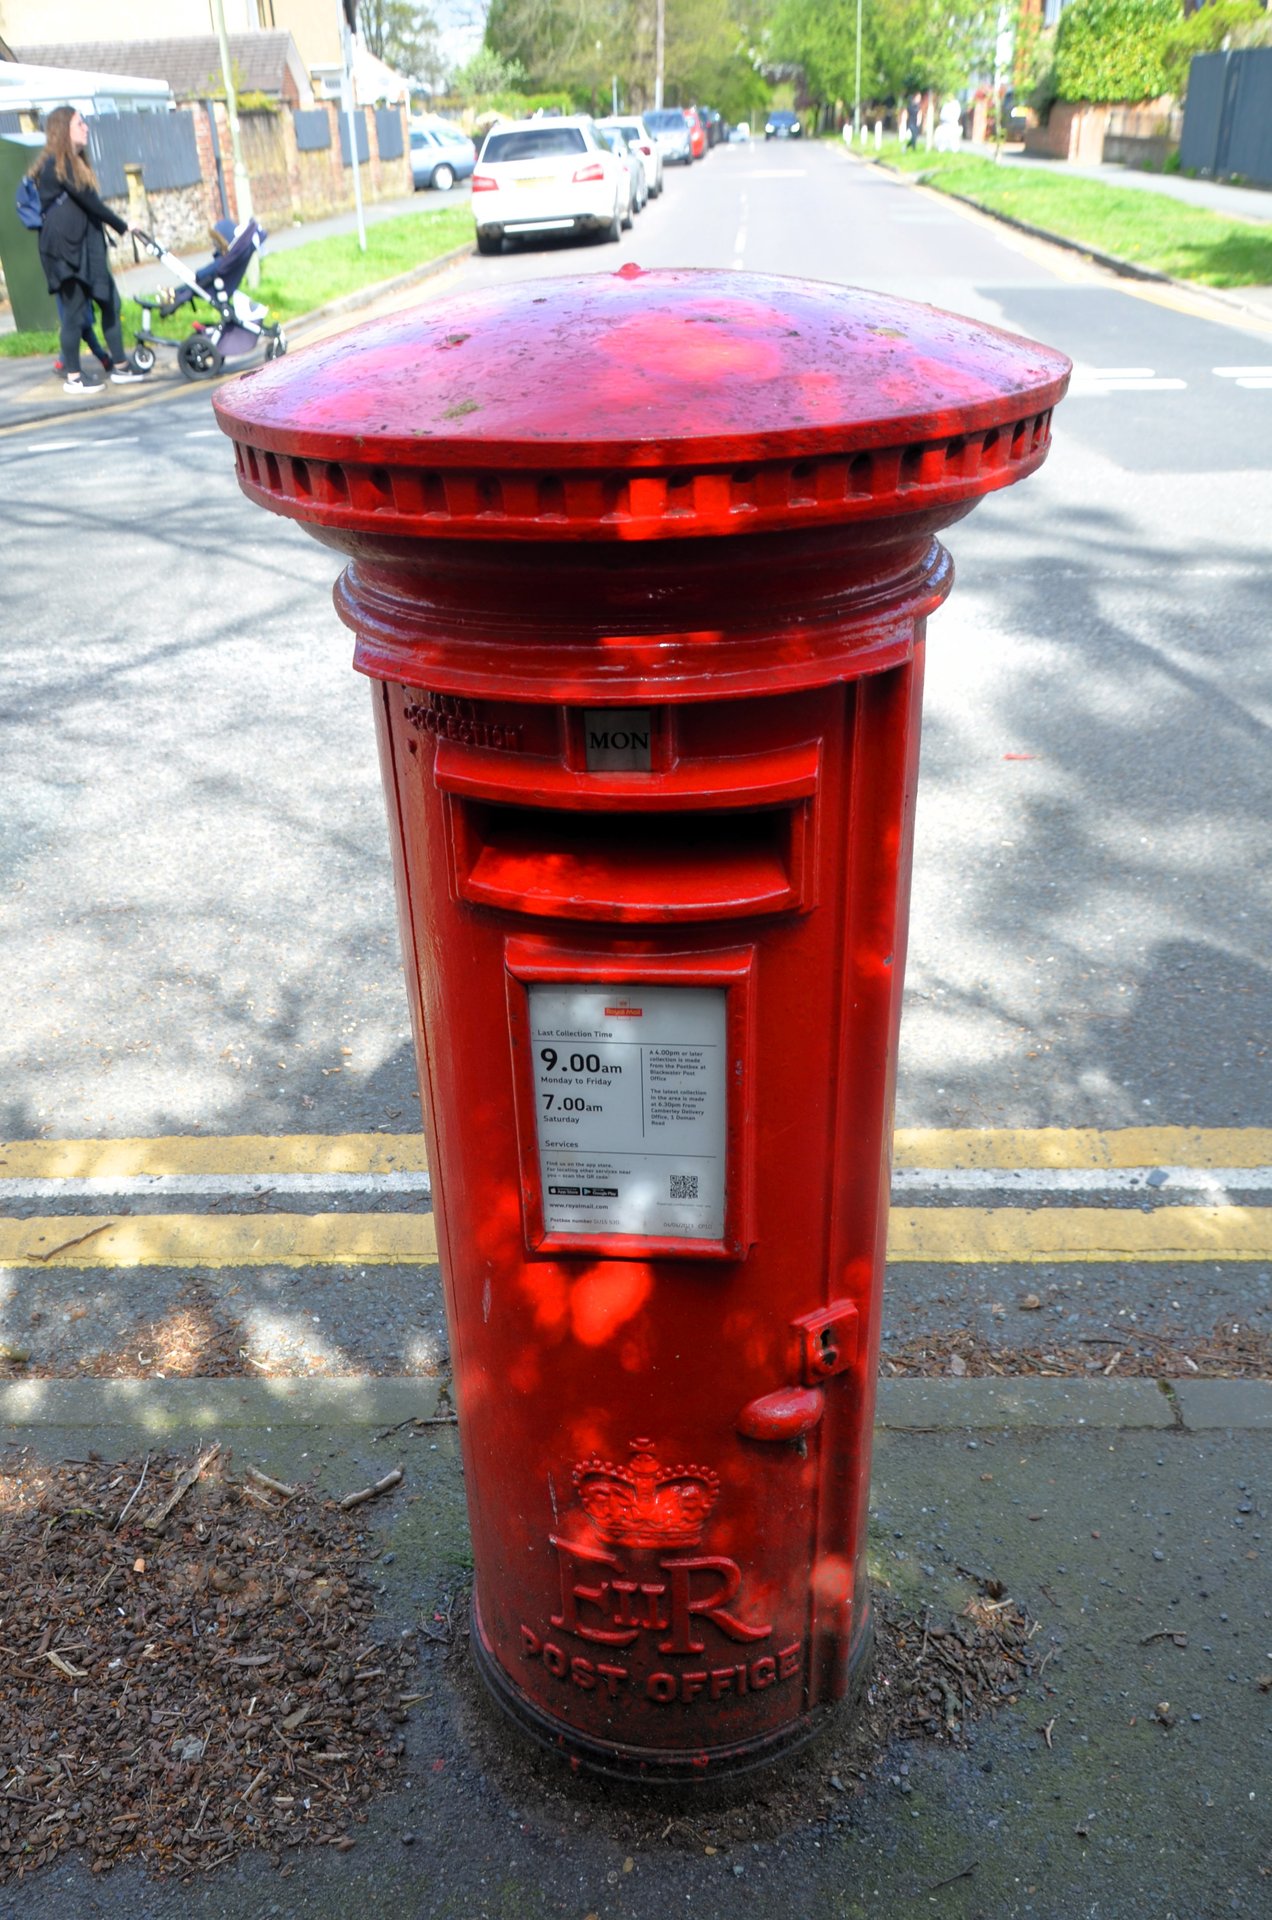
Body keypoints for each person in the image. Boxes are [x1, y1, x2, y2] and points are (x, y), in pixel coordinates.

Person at [28, 104, 147, 397]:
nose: (86, 127)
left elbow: (87, 204)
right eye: (79, 123)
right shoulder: (59, 164)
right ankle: (74, 377)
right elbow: (89, 202)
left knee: (110, 303)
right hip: (67, 252)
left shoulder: (70, 163)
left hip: (83, 249)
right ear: (63, 129)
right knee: (74, 314)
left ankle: (119, 365)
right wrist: (123, 225)